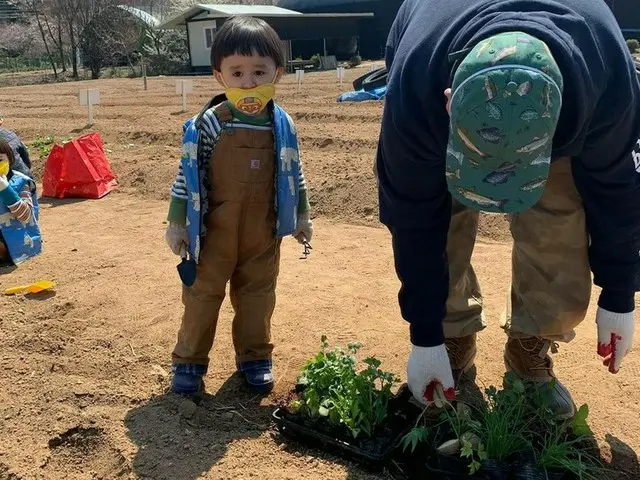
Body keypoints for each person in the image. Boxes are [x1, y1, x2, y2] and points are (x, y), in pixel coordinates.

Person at [376, 0, 639, 419]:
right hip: (433, 65)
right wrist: (425, 336)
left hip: (575, 97)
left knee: (560, 214)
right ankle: (451, 336)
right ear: (449, 101)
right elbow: (413, 215)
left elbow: (617, 189)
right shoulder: (416, 88)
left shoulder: (606, 76)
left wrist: (620, 294)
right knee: (443, 221)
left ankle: (529, 350)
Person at [164, 16, 313, 395]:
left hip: (262, 230)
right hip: (214, 229)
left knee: (258, 294)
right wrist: (177, 223)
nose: (249, 82)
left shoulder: (283, 125)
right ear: (220, 76)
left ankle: (255, 356)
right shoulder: (211, 123)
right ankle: (189, 361)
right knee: (203, 293)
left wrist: (302, 216)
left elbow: (295, 174)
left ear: (277, 73)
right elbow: (187, 174)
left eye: (259, 72)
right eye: (238, 72)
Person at [0, 139, 41, 266]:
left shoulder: (20, 182)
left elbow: (25, 216)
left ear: (10, 158)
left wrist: (6, 189)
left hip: (17, 243)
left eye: (0, 160)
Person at [0, 113, 32, 177]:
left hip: (9, 182)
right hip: (25, 178)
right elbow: (26, 160)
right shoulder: (11, 135)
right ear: (1, 121)